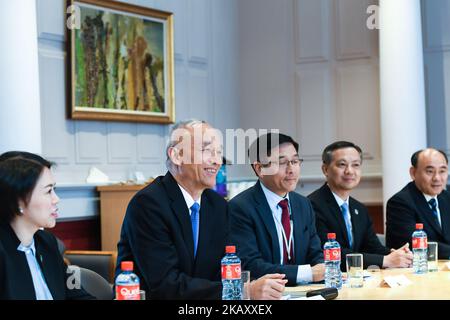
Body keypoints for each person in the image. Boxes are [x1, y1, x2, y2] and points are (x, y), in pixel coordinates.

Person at [116, 120, 287, 299]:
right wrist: (243, 291)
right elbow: (165, 284)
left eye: (219, 152)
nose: (216, 160)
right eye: (206, 150)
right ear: (176, 156)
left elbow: (225, 269)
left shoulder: (217, 205)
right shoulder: (148, 204)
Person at [229, 133, 324, 286]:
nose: (291, 169)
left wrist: (322, 268)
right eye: (282, 163)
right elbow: (250, 265)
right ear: (260, 168)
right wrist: (308, 273)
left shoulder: (303, 204)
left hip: (306, 292)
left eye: (295, 161)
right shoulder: (240, 208)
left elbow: (315, 253)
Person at [0, 152, 93, 299]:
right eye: (48, 191)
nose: (56, 199)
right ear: (18, 201)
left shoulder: (47, 243)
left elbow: (77, 295)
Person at [308, 141, 413, 270]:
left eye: (356, 165)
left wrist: (395, 255)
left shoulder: (359, 208)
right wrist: (386, 260)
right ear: (325, 169)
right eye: (342, 165)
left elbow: (372, 246)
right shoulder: (312, 205)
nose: (350, 171)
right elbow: (331, 253)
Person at [386, 148, 450, 259]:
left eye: (442, 171)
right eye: (430, 171)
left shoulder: (446, 197)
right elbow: (416, 243)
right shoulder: (400, 202)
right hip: (414, 270)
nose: (437, 178)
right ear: (413, 173)